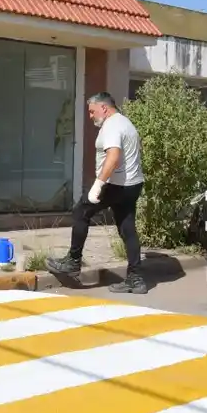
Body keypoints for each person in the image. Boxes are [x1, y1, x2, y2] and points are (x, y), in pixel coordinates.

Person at [48, 92, 148, 294]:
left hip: (115, 185)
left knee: (81, 212)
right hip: (132, 184)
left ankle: (73, 262)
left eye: (92, 111)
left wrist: (98, 184)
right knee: (127, 229)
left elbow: (114, 156)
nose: (91, 116)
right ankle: (136, 279)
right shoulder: (125, 123)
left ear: (104, 108)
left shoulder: (112, 126)